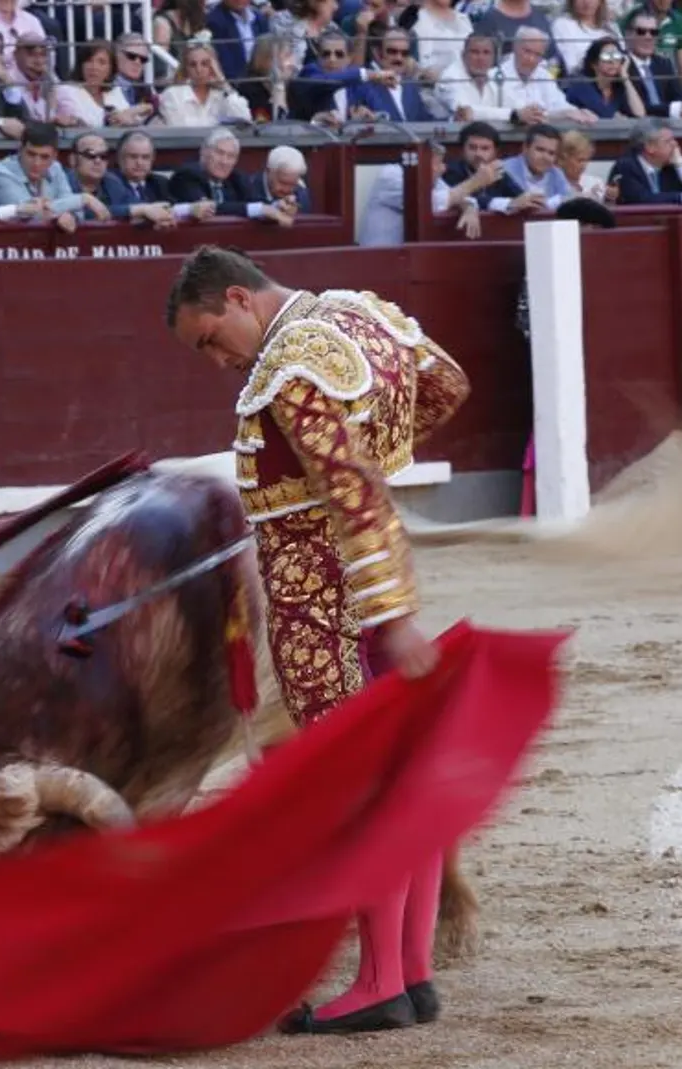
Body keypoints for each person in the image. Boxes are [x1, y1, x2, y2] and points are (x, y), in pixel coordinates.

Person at [163, 245, 472, 1035]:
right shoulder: (357, 313)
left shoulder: (290, 369)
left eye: (208, 339)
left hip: (324, 610)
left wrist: (393, 610)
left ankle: (376, 985)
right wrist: (376, 441)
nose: (216, 361)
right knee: (398, 779)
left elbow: (352, 492)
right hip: (361, 594)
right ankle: (410, 975)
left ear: (238, 298)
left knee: (353, 787)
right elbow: (445, 382)